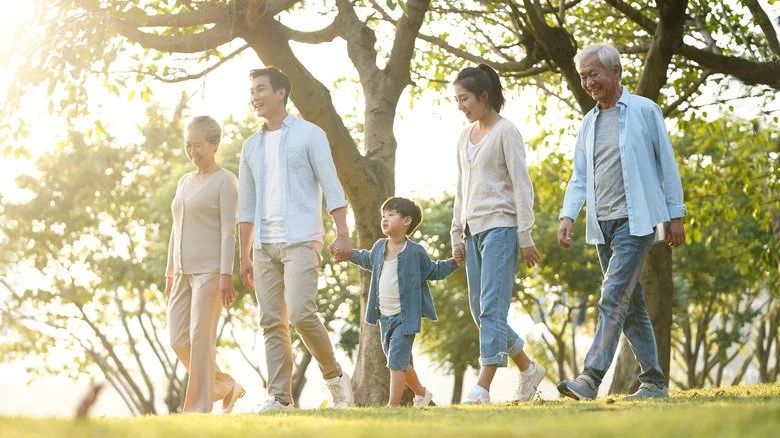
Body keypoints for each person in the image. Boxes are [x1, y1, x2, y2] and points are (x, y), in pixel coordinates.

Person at [556, 43, 686, 401]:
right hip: (601, 225)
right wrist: (569, 215)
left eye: (593, 73)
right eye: (583, 76)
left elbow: (666, 164)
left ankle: (590, 378)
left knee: (612, 297)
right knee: (631, 305)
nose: (588, 82)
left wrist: (676, 215)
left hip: (636, 221)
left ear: (615, 72)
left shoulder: (645, 111)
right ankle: (655, 382)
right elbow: (579, 176)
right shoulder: (589, 122)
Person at [238, 66, 354, 411]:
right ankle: (281, 397)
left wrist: (342, 231)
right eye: (252, 91)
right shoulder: (249, 146)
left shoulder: (309, 134)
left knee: (302, 314)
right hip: (264, 246)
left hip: (301, 237)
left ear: (280, 93)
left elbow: (331, 185)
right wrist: (244, 255)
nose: (255, 97)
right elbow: (246, 204)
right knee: (272, 321)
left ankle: (334, 377)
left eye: (261, 89)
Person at [450, 64, 546, 405]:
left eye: (464, 99)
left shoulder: (507, 132)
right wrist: (456, 234)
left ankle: (483, 386)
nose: (460, 105)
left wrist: (525, 235)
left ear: (484, 96)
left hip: (502, 229)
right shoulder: (464, 136)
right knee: (480, 312)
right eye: (457, 99)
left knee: (492, 309)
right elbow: (462, 188)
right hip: (473, 230)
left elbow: (523, 186)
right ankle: (528, 367)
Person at [165, 116, 244, 413]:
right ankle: (225, 386)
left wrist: (226, 274)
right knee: (177, 339)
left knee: (200, 339)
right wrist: (170, 272)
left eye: (198, 145)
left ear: (214, 144)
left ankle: (197, 408)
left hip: (211, 272)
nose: (192, 151)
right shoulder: (184, 181)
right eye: (188, 145)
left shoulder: (226, 181)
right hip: (182, 271)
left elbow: (228, 231)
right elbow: (177, 227)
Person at [349, 197, 461, 407]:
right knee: (398, 361)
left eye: (391, 215)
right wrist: (349, 254)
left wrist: (455, 262)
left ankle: (393, 405)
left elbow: (434, 270)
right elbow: (365, 259)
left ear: (407, 221)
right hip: (384, 317)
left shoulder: (415, 252)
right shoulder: (379, 247)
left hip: (405, 317)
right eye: (383, 215)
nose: (384, 219)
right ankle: (422, 394)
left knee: (396, 361)